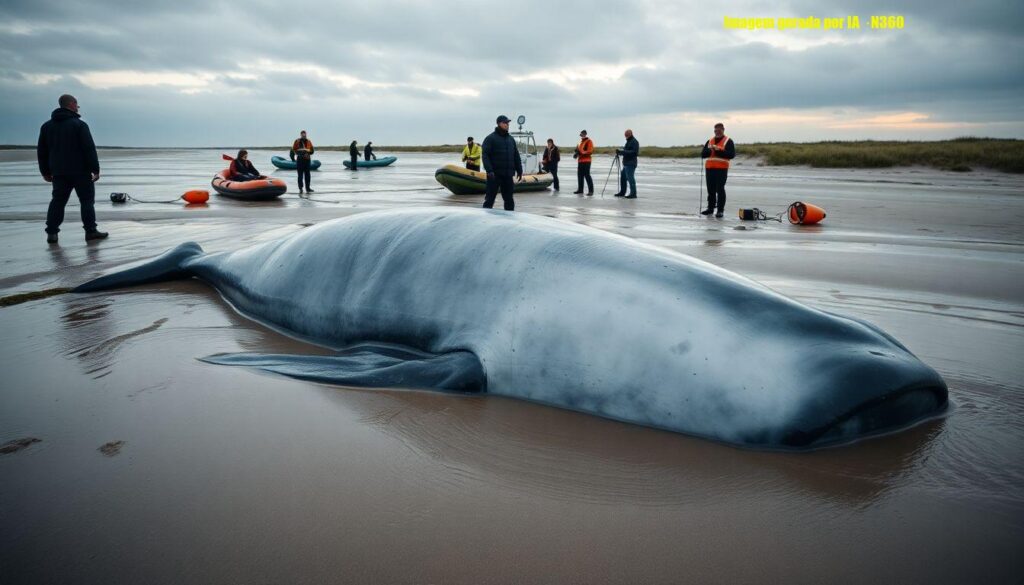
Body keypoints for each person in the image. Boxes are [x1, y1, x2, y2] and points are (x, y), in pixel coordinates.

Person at [37, 94, 106, 244]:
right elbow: (89, 148)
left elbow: (42, 152)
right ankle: (91, 231)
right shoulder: (79, 125)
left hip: (59, 172)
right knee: (87, 202)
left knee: (58, 201)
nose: (78, 107)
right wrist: (95, 169)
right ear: (72, 104)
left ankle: (52, 233)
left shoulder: (47, 126)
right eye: (77, 104)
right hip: (80, 171)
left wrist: (45, 172)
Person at [481, 115, 523, 211]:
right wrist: (489, 170)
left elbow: (516, 155)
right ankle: (484, 220)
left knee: (509, 200)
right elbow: (485, 155)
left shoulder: (511, 139)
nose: (507, 125)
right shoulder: (490, 138)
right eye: (505, 123)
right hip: (494, 175)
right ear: (499, 124)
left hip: (508, 175)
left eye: (508, 123)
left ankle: (510, 221)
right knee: (489, 199)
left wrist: (519, 170)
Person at [701, 123, 735, 218]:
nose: (717, 132)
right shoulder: (710, 141)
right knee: (710, 190)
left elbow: (731, 155)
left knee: (720, 189)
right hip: (709, 168)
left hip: (721, 169)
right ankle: (710, 209)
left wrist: (718, 151)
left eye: (719, 130)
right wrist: (708, 151)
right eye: (715, 130)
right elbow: (703, 154)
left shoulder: (728, 141)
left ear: (723, 130)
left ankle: (720, 210)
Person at [614, 129, 640, 198]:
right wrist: (619, 152)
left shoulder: (634, 142)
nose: (626, 136)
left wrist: (623, 151)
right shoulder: (628, 141)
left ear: (630, 134)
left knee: (630, 178)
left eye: (627, 135)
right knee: (623, 177)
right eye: (625, 135)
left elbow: (634, 152)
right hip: (626, 163)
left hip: (631, 163)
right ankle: (622, 192)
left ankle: (633, 193)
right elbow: (626, 151)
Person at [572, 129, 594, 195]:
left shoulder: (589, 141)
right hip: (580, 161)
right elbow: (578, 151)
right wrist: (576, 154)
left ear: (585, 134)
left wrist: (580, 153)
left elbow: (590, 151)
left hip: (587, 161)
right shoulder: (580, 143)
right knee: (580, 176)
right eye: (581, 134)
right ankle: (580, 190)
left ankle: (591, 191)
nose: (581, 135)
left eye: (582, 134)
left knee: (587, 175)